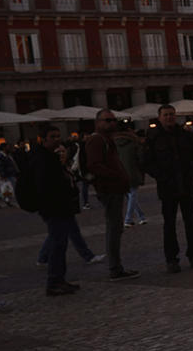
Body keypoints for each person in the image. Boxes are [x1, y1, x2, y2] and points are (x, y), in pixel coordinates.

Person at [143, 104, 193, 274]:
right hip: (167, 187)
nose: (169, 117)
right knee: (169, 225)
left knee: (191, 223)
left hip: (187, 185)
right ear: (159, 117)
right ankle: (171, 259)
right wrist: (161, 177)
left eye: (172, 114)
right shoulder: (153, 137)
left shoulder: (185, 135)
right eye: (166, 115)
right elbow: (146, 162)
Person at [83, 110, 140, 281]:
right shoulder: (96, 140)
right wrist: (117, 176)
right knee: (114, 228)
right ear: (97, 122)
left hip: (115, 188)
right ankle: (115, 268)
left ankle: (116, 266)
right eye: (107, 120)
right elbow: (94, 165)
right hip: (109, 189)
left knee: (116, 227)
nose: (112, 123)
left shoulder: (108, 139)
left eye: (113, 120)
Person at [34, 125, 83, 296]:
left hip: (62, 206)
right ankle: (54, 281)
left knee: (61, 244)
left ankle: (59, 279)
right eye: (52, 136)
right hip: (54, 208)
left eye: (58, 136)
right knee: (57, 243)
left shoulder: (53, 157)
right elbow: (47, 185)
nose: (57, 139)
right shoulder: (43, 159)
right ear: (44, 139)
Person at [115, 122, 147, 226]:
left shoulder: (113, 143)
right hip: (132, 171)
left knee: (130, 196)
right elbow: (141, 158)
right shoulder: (134, 142)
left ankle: (141, 216)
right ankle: (128, 219)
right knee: (132, 195)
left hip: (119, 173)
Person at [0, 138, 18, 207]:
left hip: (10, 173)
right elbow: (0, 167)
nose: (9, 148)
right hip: (8, 174)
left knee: (7, 189)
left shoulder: (7, 155)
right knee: (11, 188)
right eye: (7, 147)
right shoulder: (1, 156)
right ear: (4, 148)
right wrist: (3, 175)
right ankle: (0, 200)